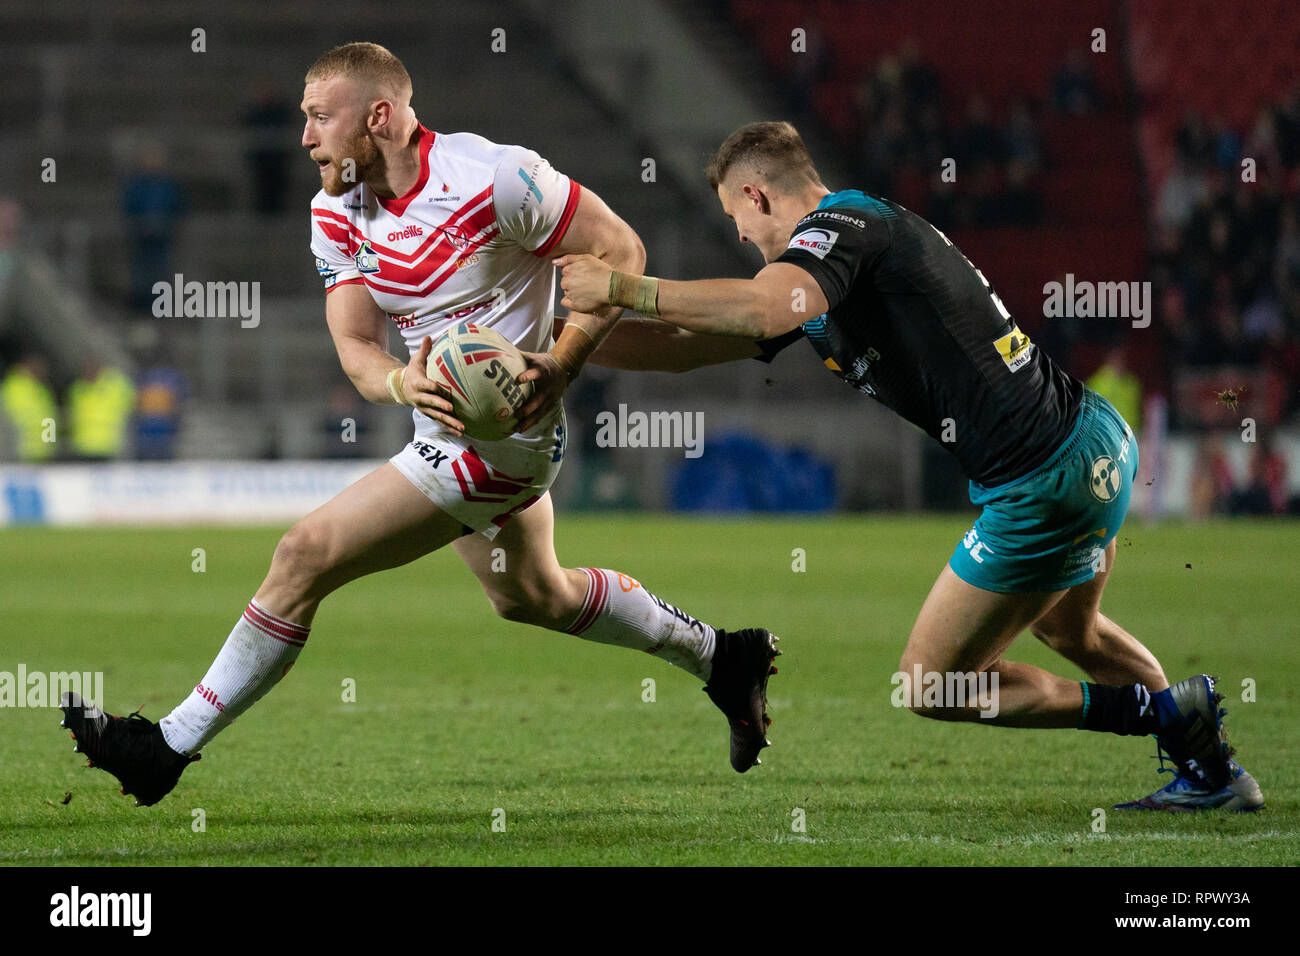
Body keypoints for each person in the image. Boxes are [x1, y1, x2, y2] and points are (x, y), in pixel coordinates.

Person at [60, 43, 779, 808]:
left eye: (318, 118)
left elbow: (620, 251)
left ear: (378, 116)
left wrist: (561, 364)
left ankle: (164, 747)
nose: (304, 138)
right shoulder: (335, 209)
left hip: (506, 435)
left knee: (304, 554)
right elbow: (355, 348)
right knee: (534, 595)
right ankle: (722, 658)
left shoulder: (495, 178)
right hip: (445, 429)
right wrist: (403, 380)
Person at [558, 120, 1261, 812]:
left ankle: (1164, 717)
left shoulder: (843, 229)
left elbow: (762, 308)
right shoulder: (824, 278)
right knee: (1073, 633)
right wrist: (559, 338)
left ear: (759, 195)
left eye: (737, 216)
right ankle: (1214, 772)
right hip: (1088, 442)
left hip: (1043, 477)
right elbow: (687, 343)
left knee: (931, 685)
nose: (740, 236)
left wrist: (623, 288)